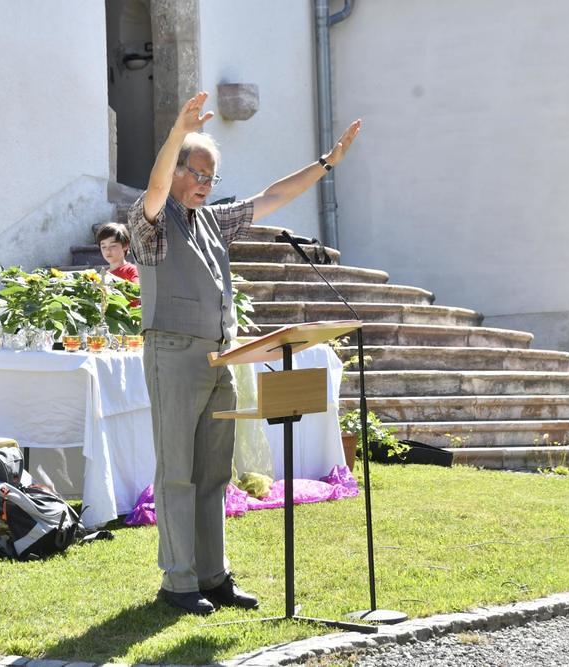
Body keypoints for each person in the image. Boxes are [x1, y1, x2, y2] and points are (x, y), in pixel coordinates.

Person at [128, 91, 362, 614]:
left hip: (220, 358)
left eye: (212, 178)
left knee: (214, 472)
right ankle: (178, 582)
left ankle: (213, 576)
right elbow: (156, 187)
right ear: (178, 169)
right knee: (177, 472)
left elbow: (271, 197)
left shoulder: (213, 221)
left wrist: (326, 164)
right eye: (198, 174)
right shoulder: (153, 221)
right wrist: (176, 132)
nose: (205, 186)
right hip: (173, 354)